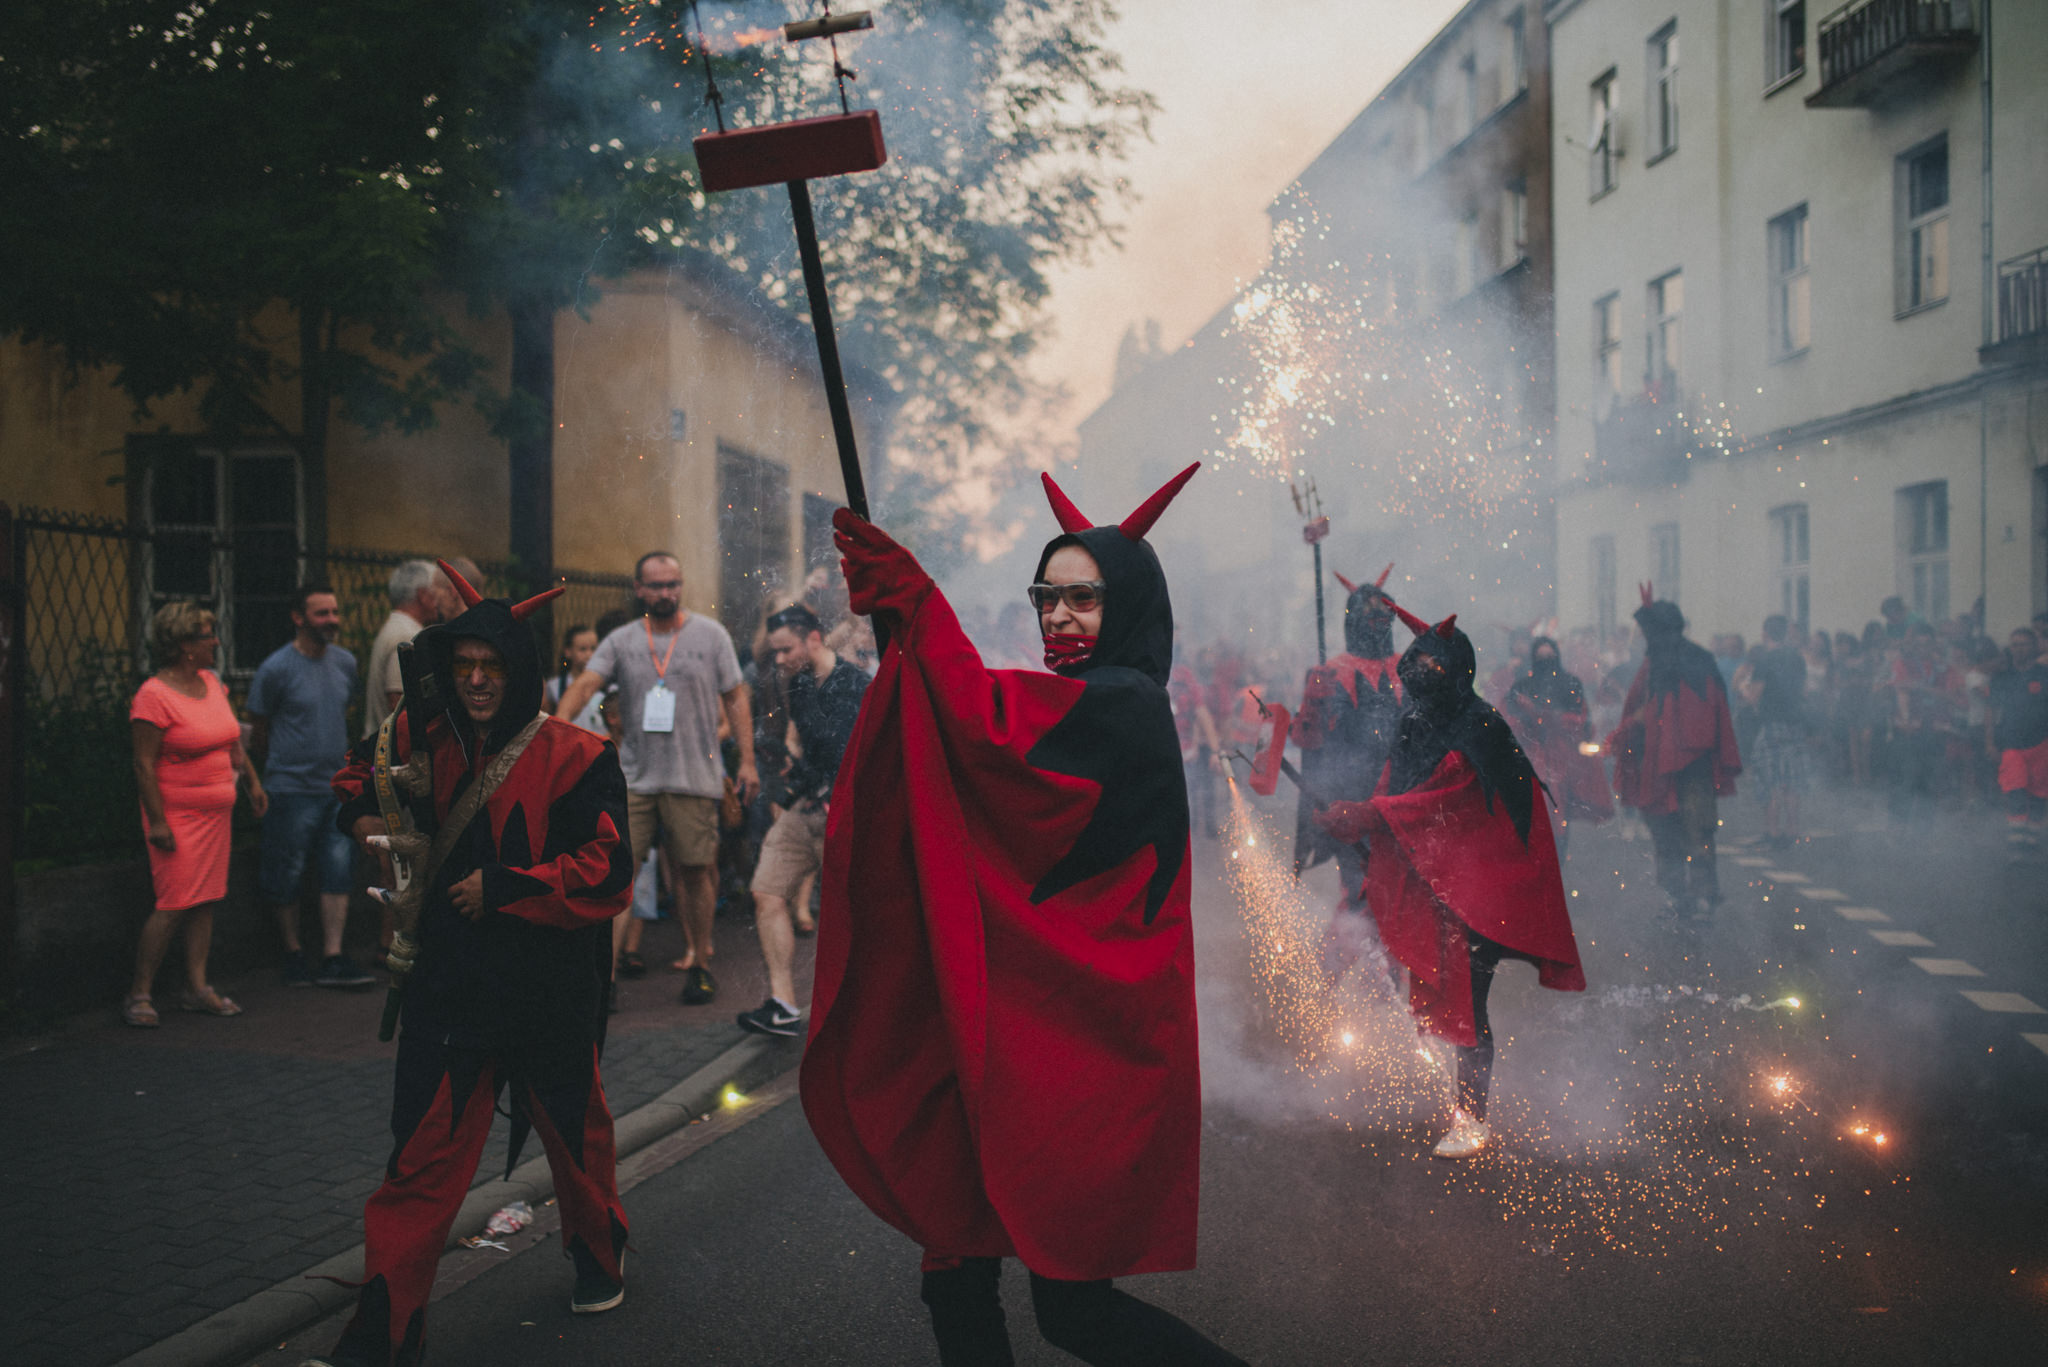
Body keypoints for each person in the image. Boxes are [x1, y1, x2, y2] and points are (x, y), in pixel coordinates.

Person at [805, 466, 1246, 1366]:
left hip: (1088, 1047)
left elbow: (983, 726)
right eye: (1048, 597)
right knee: (956, 1269)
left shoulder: (1125, 706)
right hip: (1024, 1035)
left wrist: (921, 609)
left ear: (1125, 606)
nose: (1058, 616)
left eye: (1083, 599)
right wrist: (906, 638)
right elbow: (970, 754)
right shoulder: (1089, 704)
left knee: (1072, 1309)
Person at [312, 564, 633, 1366]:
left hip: (548, 989)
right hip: (449, 989)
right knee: (416, 1164)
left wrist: (506, 887)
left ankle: (599, 1249)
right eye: (465, 669)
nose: (478, 683)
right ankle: (387, 1329)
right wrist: (369, 823)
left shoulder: (579, 754)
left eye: (492, 668)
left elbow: (608, 869)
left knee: (576, 1137)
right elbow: (354, 778)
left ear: (518, 670)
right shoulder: (421, 736)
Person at [1314, 601, 1584, 1159]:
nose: (1420, 683)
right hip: (1435, 875)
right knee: (1447, 989)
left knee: (1468, 997)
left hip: (1481, 881)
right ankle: (1461, 1101)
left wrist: (1374, 814)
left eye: (1432, 672)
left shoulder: (1477, 724)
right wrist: (1362, 813)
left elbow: (1446, 796)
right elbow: (1399, 781)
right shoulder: (1417, 719)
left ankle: (1472, 1118)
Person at [553, 553, 760, 1005]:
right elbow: (587, 684)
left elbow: (736, 697)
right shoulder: (624, 641)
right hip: (636, 780)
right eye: (657, 585)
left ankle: (700, 964)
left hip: (693, 778)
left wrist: (747, 760)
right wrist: (555, 727)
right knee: (616, 875)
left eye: (673, 584)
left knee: (694, 871)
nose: (666, 593)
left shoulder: (711, 635)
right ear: (639, 589)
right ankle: (602, 981)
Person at [124, 602, 267, 1026]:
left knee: (204, 901)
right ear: (185, 645)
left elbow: (233, 742)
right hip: (177, 818)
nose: (216, 642)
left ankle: (196, 986)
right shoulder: (153, 695)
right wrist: (159, 821)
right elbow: (143, 764)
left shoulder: (212, 683)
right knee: (173, 902)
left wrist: (253, 784)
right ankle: (139, 993)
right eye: (208, 635)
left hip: (216, 814)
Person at [736, 605, 868, 1037]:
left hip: (846, 814)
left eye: (785, 649)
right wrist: (789, 764)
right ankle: (783, 1004)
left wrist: (842, 798)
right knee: (767, 893)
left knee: (854, 918)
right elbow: (797, 734)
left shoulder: (854, 684)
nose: (778, 660)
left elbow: (860, 753)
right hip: (805, 808)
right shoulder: (799, 684)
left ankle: (862, 1014)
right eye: (774, 652)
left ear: (813, 638)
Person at [248, 584, 374, 988]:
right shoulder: (275, 669)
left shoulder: (346, 663)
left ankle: (334, 956)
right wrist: (279, 770)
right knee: (286, 871)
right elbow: (260, 729)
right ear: (298, 617)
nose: (332, 620)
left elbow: (344, 713)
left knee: (339, 869)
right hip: (290, 788)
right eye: (322, 613)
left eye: (335, 612)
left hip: (336, 788)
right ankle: (292, 953)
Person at [1289, 566, 1404, 985]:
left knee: (1398, 897)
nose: (1378, 621)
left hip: (1400, 804)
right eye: (1369, 614)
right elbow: (1309, 741)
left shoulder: (1406, 670)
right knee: (1362, 895)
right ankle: (1327, 980)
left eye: (1384, 614)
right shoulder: (1332, 671)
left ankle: (1387, 985)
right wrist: (1317, 708)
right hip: (1351, 805)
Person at [1608, 586, 1741, 921]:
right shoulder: (1660, 662)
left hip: (1689, 765)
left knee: (1696, 832)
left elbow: (1701, 711)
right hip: (1659, 762)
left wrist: (1642, 720)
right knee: (1669, 832)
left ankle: (1701, 896)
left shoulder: (1689, 660)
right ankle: (1680, 896)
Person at [1500, 634, 1614, 856]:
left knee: (1560, 807)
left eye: (1549, 655)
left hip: (1563, 755)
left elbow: (1581, 720)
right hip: (1534, 754)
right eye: (1541, 656)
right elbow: (1510, 720)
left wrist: (1546, 716)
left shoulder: (1570, 682)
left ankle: (1558, 853)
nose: (1545, 660)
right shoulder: (1523, 685)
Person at [1740, 615, 1809, 850]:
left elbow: (1753, 697)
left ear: (1765, 633)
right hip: (1795, 724)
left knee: (1770, 781)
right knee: (1792, 781)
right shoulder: (1797, 658)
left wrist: (1741, 684)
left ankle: (1773, 832)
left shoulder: (1765, 660)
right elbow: (1803, 690)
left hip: (1772, 727)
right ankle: (1792, 831)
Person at [362, 561, 450, 742]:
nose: (439, 601)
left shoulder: (394, 627)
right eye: (435, 592)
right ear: (423, 595)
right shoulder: (408, 635)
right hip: (393, 752)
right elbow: (398, 703)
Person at [1989, 626, 2048, 850]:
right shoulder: (2003, 677)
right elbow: (1991, 711)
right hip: (2011, 743)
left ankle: (2032, 836)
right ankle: (2016, 838)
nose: (2019, 649)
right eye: (2015, 645)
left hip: (2042, 742)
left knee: (2039, 791)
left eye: (2023, 644)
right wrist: (1990, 741)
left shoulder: (2044, 675)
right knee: (2014, 788)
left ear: (2034, 647)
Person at [545, 622, 606, 734]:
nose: (589, 655)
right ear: (568, 652)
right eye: (582, 649)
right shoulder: (555, 686)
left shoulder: (606, 685)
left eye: (593, 649)